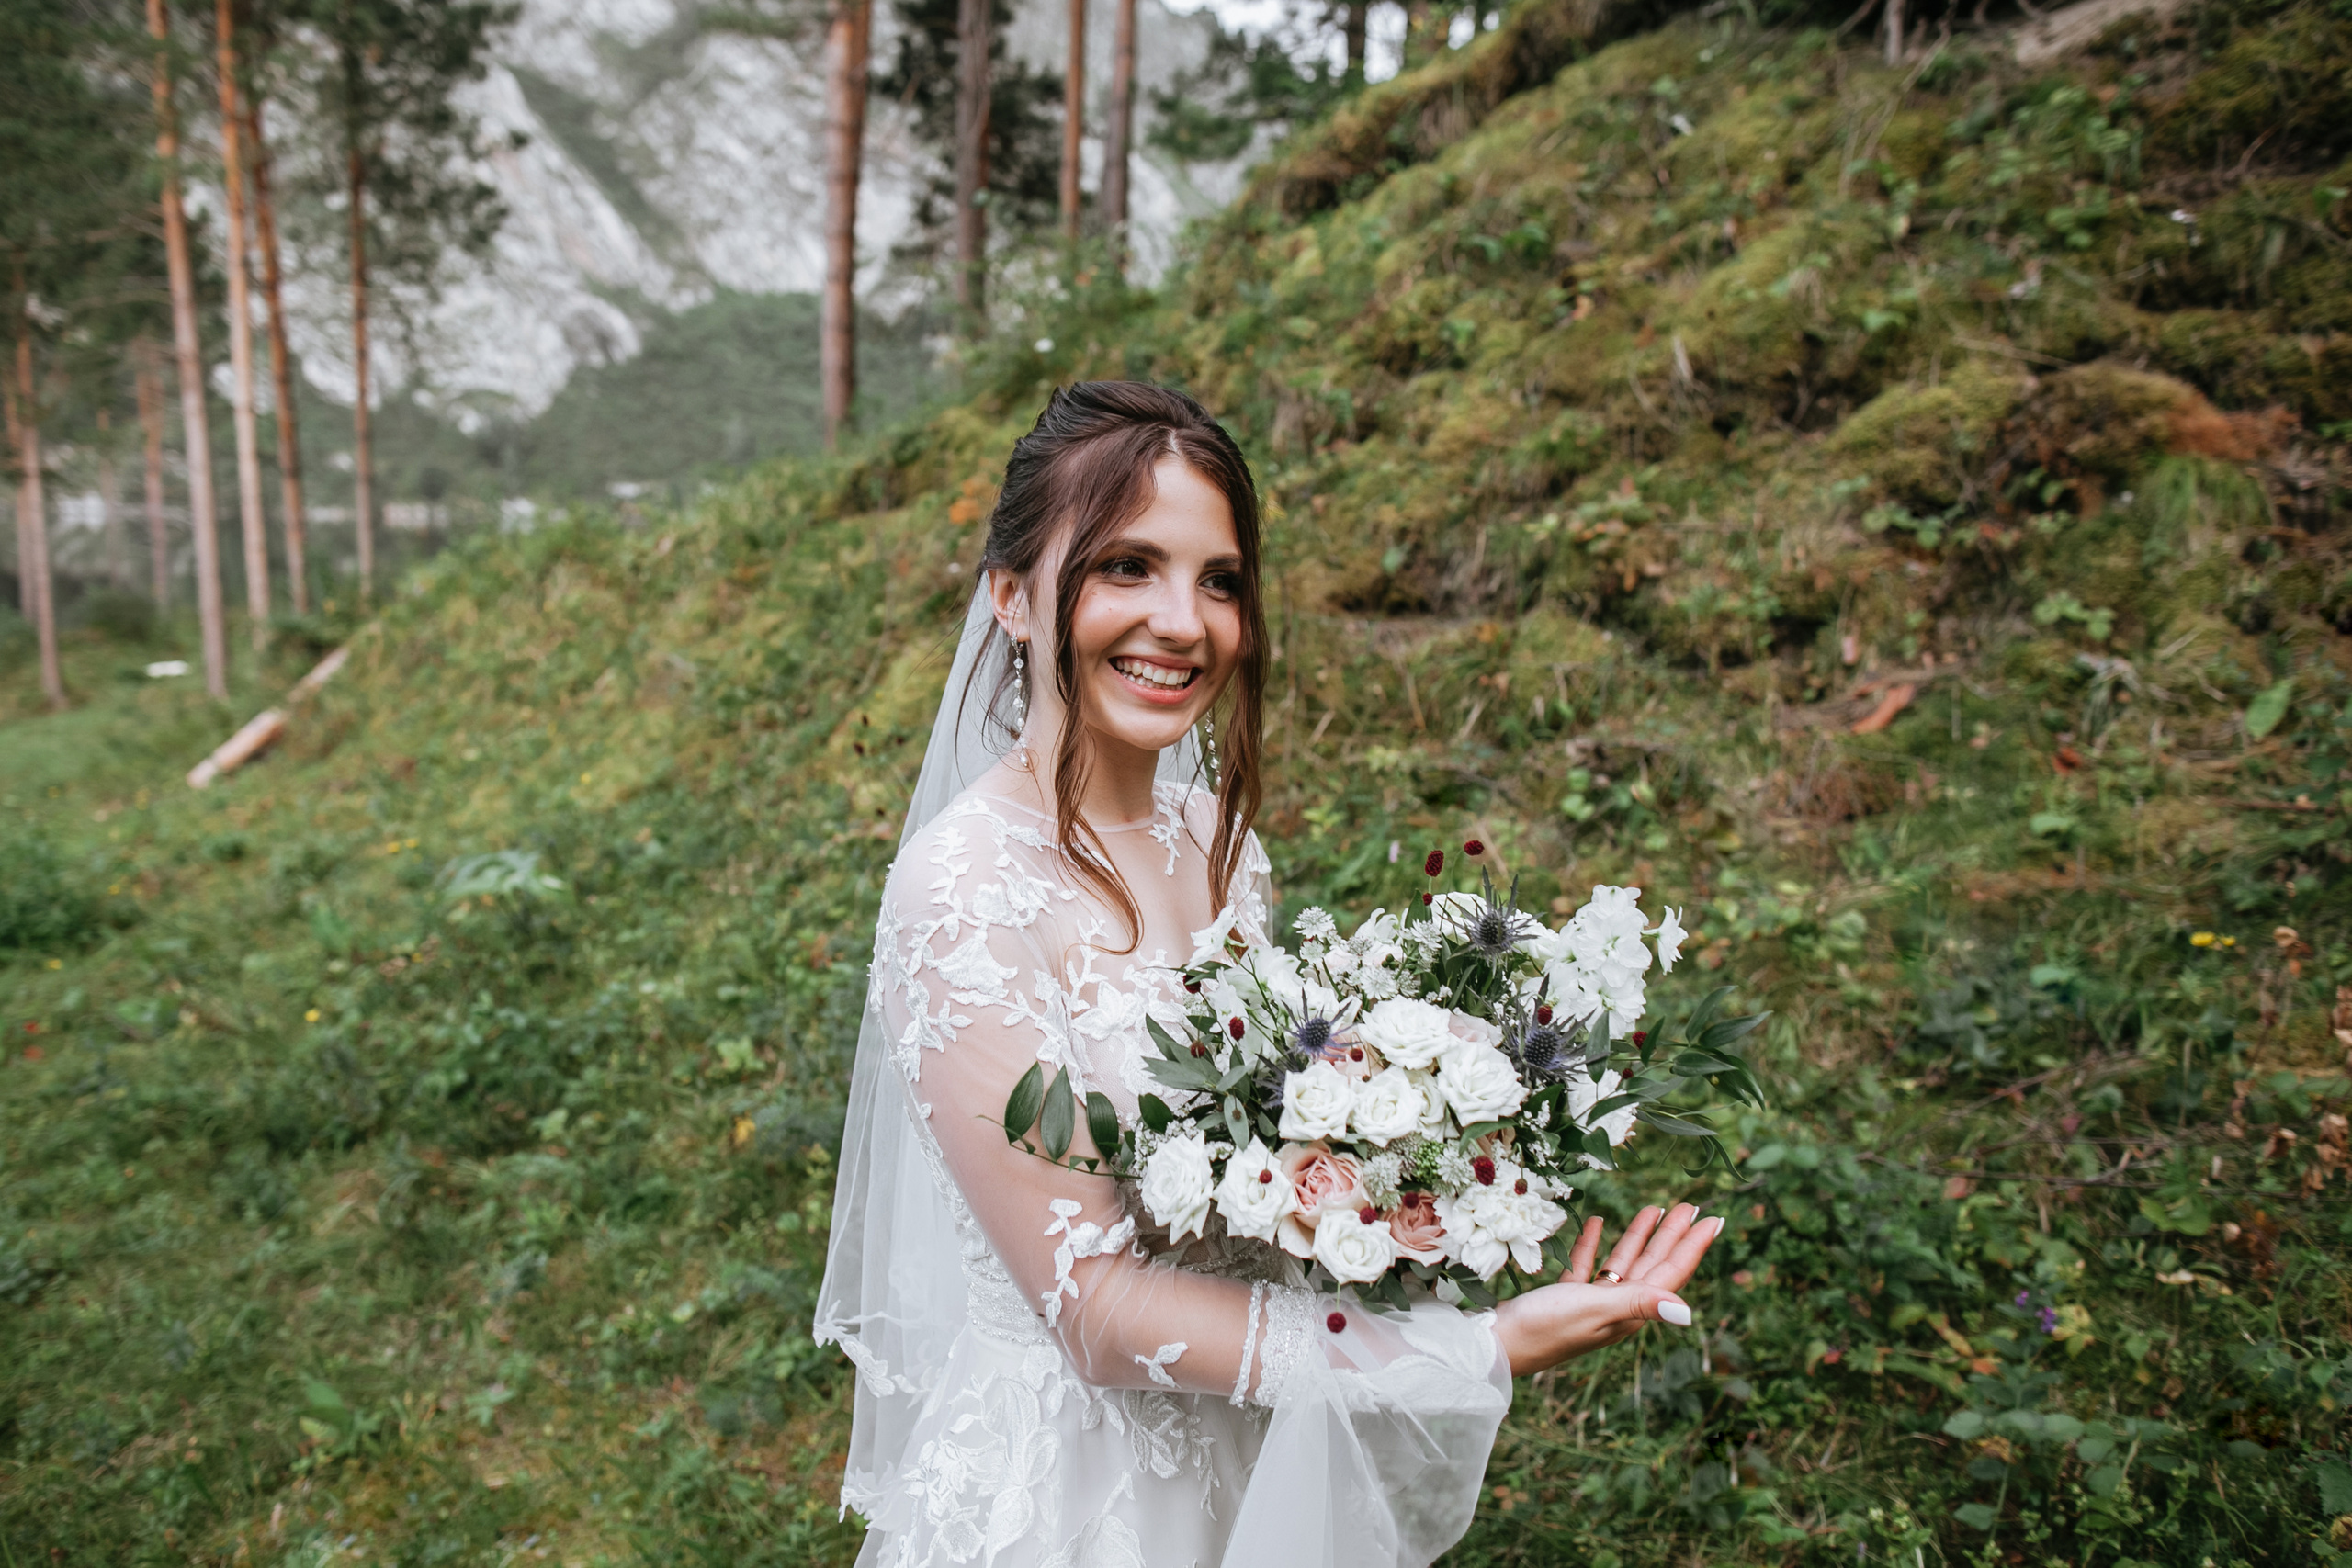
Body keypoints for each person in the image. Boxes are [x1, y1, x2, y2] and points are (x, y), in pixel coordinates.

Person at [815, 382, 1723, 1567]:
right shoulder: (965, 893)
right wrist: (1474, 1350)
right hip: (1081, 1497)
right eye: (1126, 568)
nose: (1184, 623)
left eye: (1220, 579)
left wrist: (1416, 1191)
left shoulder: (1225, 847)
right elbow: (1092, 1308)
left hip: (1252, 1445)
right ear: (1011, 598)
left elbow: (1259, 1174)